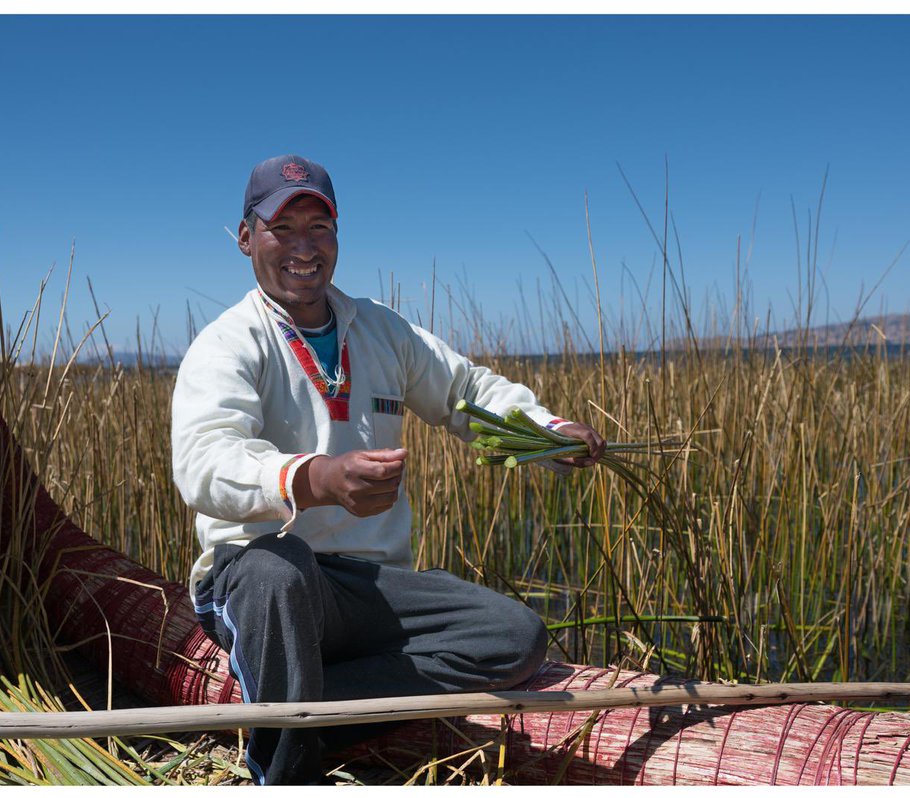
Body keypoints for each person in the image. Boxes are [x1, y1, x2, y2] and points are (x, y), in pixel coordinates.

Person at [171, 154, 606, 785]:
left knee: (514, 637)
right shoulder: (228, 343)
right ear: (245, 238)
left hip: (367, 587)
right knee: (276, 568)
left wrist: (545, 433)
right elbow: (204, 462)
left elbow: (464, 391)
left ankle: (310, 713)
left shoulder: (380, 329)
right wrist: (316, 478)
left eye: (319, 227)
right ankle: (288, 773)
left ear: (338, 236)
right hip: (260, 583)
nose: (304, 247)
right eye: (281, 228)